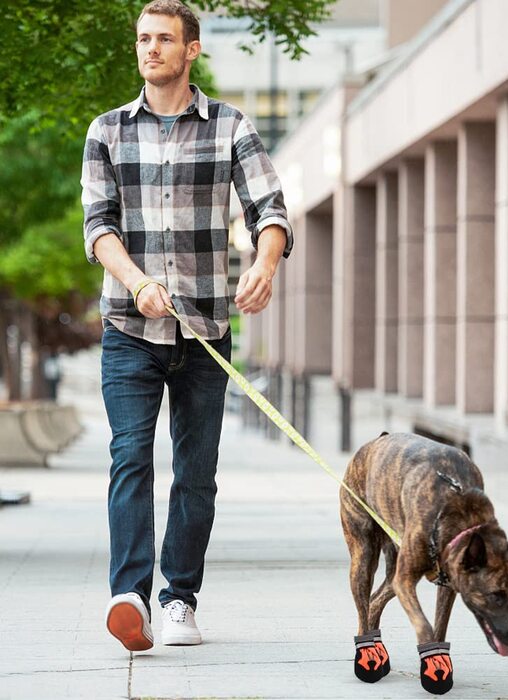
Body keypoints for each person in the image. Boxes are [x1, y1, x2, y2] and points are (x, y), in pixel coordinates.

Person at [81, 0, 292, 652]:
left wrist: (266, 261)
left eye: (164, 39)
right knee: (129, 457)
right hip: (129, 328)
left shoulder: (230, 126)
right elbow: (99, 229)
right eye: (143, 38)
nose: (150, 49)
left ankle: (180, 600)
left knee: (197, 474)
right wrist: (138, 281)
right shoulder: (108, 130)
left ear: (191, 49)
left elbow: (270, 207)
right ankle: (130, 598)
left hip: (204, 330)